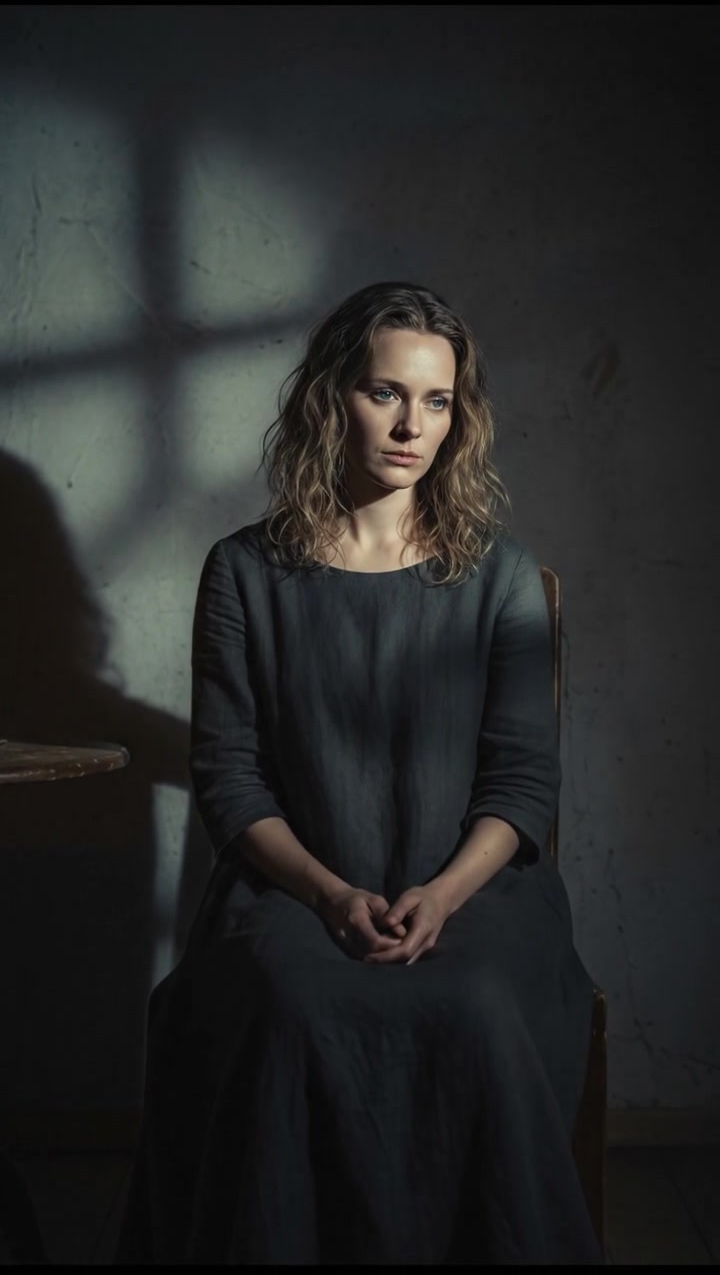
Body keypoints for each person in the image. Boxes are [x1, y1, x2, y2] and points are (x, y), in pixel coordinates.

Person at [116, 282, 604, 1265]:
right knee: (294, 1009)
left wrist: (442, 893)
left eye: (435, 399)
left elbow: (520, 782)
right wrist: (333, 893)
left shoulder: (500, 574)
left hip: (476, 888)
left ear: (459, 413)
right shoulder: (245, 572)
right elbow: (232, 779)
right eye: (386, 392)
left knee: (471, 1005)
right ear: (332, 396)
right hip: (293, 888)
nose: (411, 424)